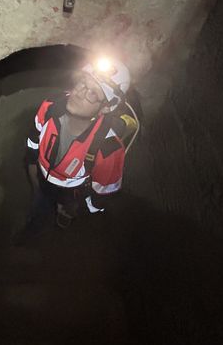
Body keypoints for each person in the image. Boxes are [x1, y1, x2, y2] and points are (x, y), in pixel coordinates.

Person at [22, 57, 139, 236]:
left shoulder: (108, 149)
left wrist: (81, 209)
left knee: (64, 214)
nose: (79, 92)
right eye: (82, 83)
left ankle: (63, 221)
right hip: (41, 176)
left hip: (71, 193)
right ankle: (34, 227)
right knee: (39, 208)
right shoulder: (51, 106)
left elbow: (103, 193)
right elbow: (34, 136)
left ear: (106, 107)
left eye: (93, 93)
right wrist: (31, 163)